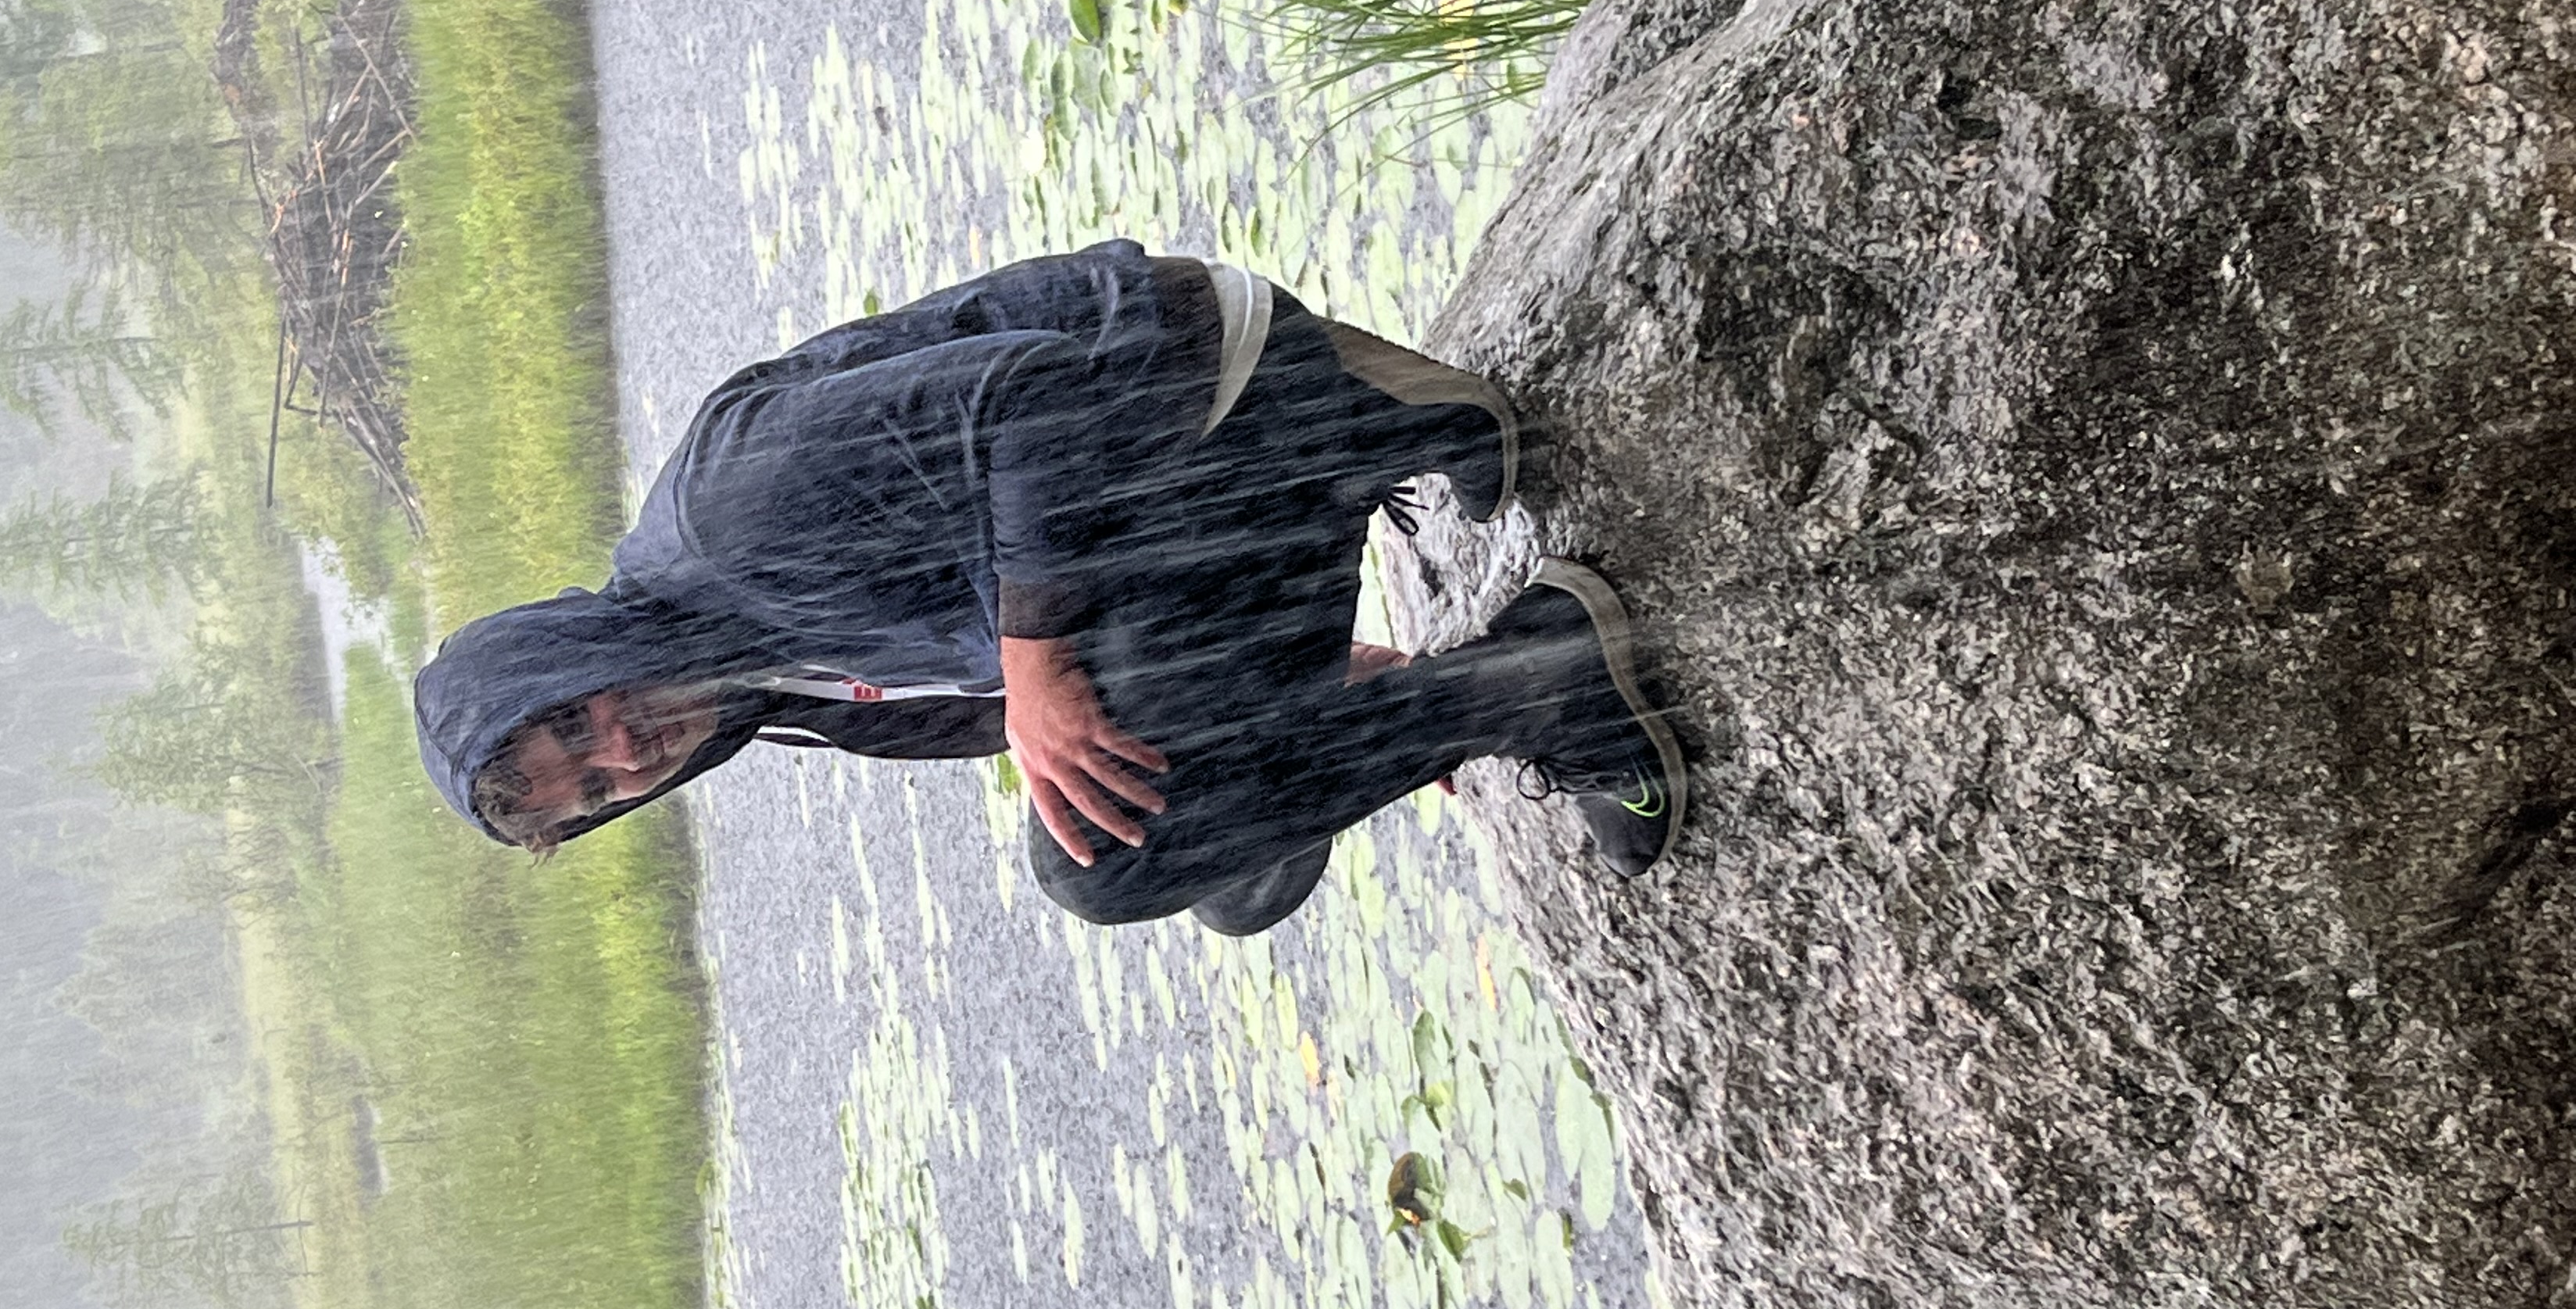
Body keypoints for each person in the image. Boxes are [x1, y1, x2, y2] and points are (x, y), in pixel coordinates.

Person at [413, 240, 1683, 935]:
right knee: (1237, 876)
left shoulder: (728, 520)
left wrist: (1041, 664)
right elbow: (1018, 701)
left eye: (574, 721)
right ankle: (1409, 522)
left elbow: (1030, 395)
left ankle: (1526, 653)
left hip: (1199, 388)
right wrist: (1292, 689)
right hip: (1165, 527)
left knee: (1097, 871)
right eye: (593, 792)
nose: (623, 753)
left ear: (562, 649)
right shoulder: (762, 683)